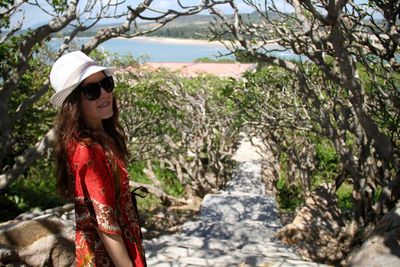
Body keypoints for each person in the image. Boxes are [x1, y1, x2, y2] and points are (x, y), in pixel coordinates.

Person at [50, 51, 147, 267]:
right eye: (92, 91)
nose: (104, 94)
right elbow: (106, 225)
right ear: (74, 102)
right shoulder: (88, 152)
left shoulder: (100, 136)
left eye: (106, 83)